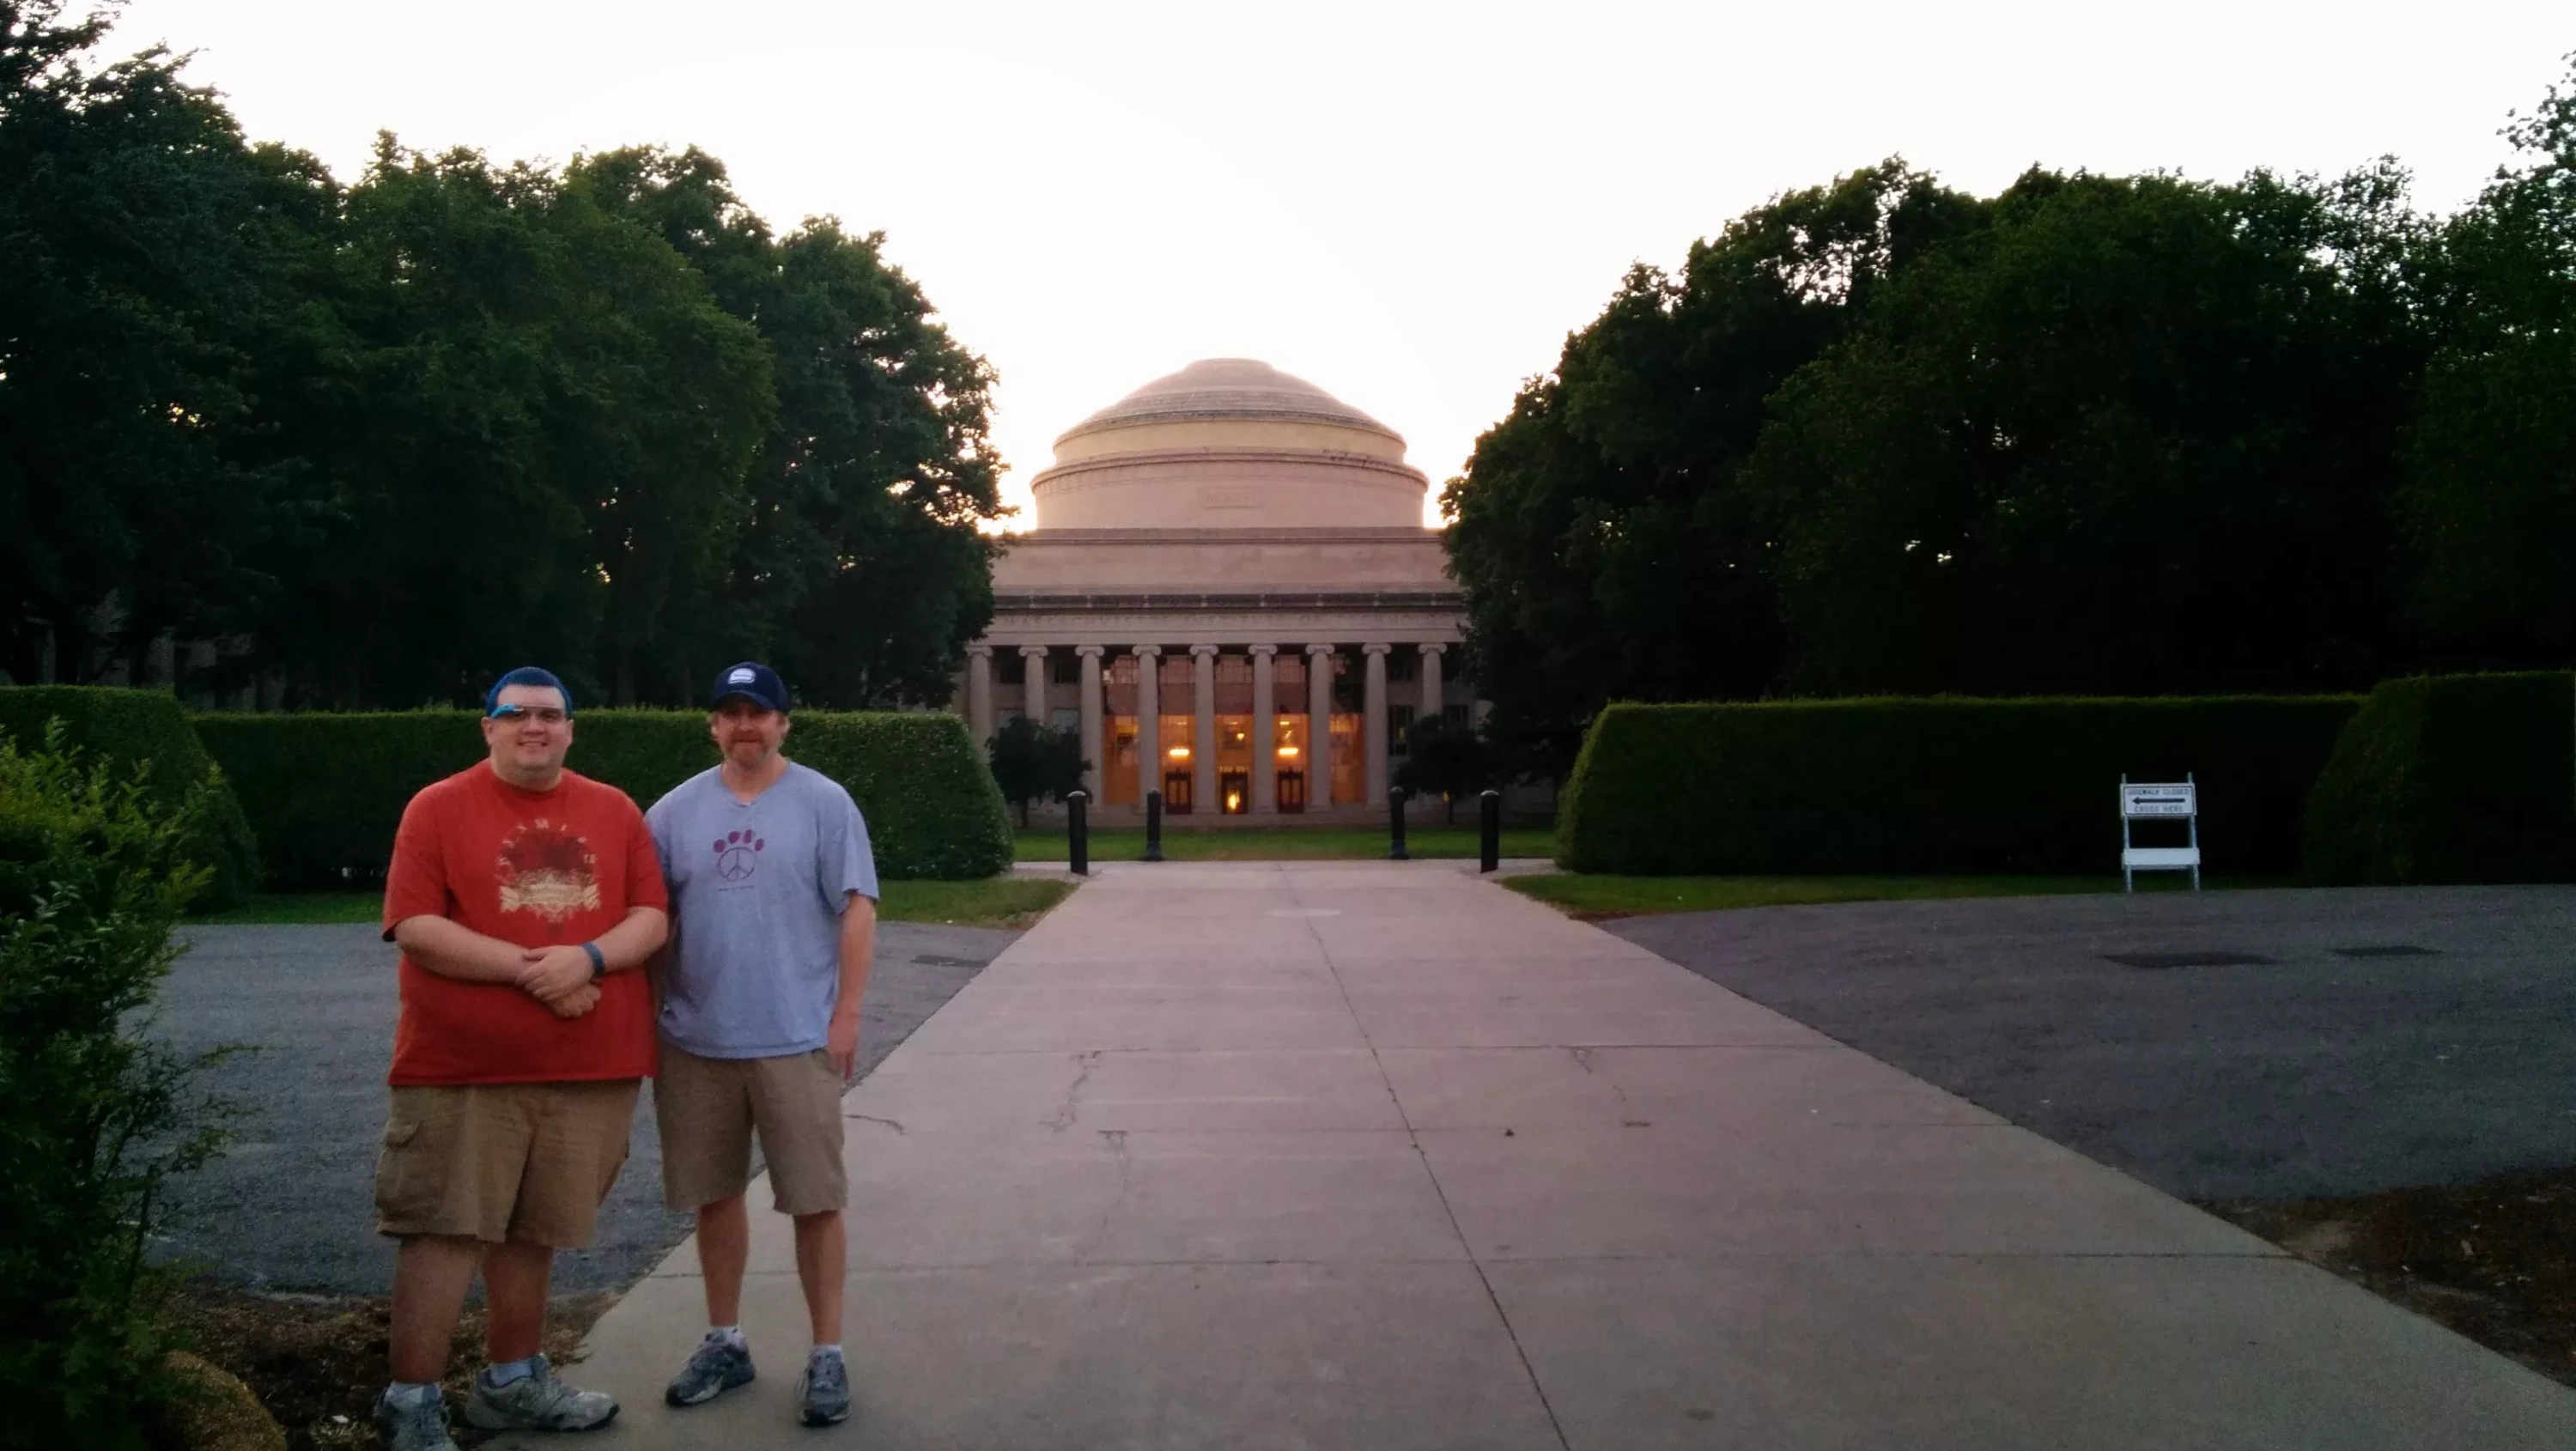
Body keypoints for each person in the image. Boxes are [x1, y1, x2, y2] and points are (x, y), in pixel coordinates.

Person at [371, 667, 671, 1451]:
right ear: (488, 727)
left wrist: (592, 959)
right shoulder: (436, 807)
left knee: (535, 1230)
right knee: (444, 1227)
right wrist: (541, 972)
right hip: (461, 1070)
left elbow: (652, 916)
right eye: (515, 714)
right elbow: (415, 927)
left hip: (588, 1073)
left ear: (571, 728)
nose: (532, 726)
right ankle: (410, 1405)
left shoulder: (614, 809)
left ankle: (511, 1383)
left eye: (549, 714)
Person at [647, 661, 879, 1428]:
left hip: (794, 1036)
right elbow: (651, 922)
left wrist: (845, 1014)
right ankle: (725, 1340)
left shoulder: (823, 803)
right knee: (714, 1197)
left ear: (784, 722)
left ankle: (828, 1354)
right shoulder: (673, 813)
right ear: (713, 724)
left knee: (816, 1200)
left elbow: (856, 909)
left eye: (760, 712)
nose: (745, 725)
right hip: (696, 1039)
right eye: (730, 712)